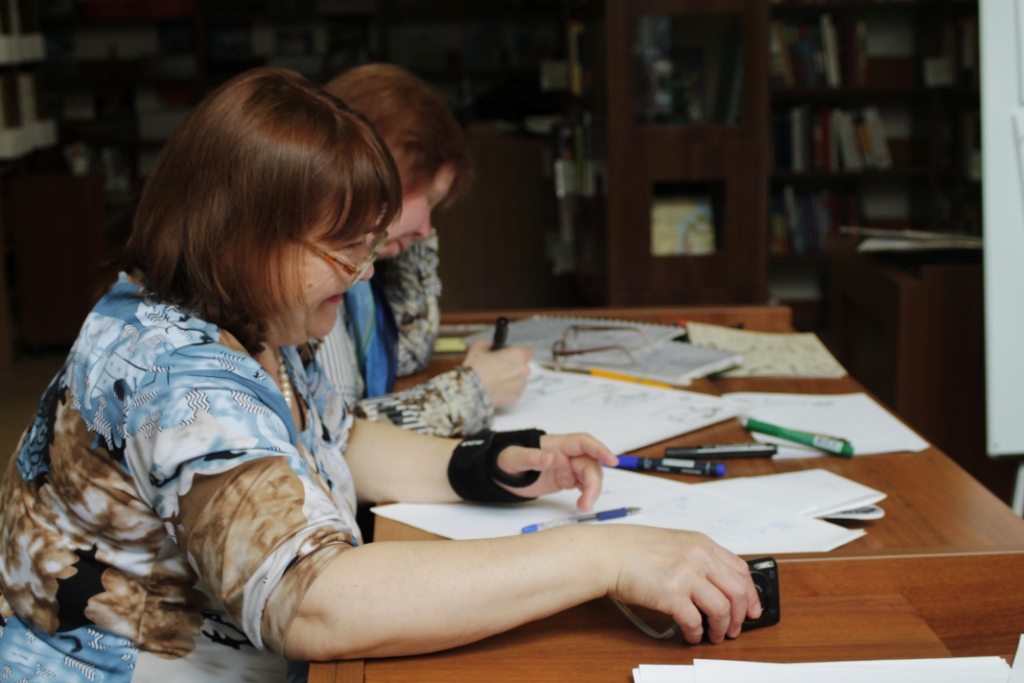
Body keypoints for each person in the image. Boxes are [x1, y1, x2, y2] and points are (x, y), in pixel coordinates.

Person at [0, 68, 759, 682]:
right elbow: (312, 602)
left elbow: (340, 440)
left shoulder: (254, 315)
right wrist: (605, 556)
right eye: (345, 250)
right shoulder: (178, 377)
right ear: (245, 236)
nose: (365, 273)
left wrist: (486, 464)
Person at [316, 63, 533, 437]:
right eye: (428, 198)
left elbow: (408, 352)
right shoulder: (314, 277)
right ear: (379, 172)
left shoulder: (361, 281)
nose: (427, 230)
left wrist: (399, 235)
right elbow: (331, 438)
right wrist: (470, 392)